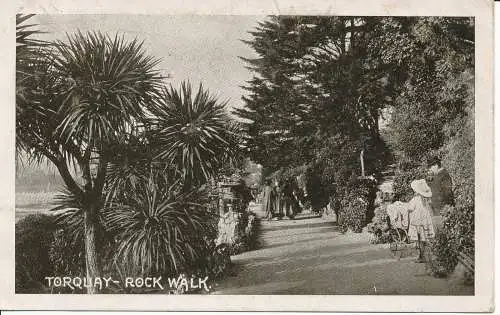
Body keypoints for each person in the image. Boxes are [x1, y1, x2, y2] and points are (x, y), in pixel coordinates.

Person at [407, 179, 435, 263]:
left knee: (420, 239)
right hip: (425, 220)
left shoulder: (415, 199)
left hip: (418, 221)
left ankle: (421, 256)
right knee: (425, 238)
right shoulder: (426, 199)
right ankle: (426, 254)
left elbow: (410, 208)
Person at [426, 156, 454, 229]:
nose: (430, 169)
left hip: (443, 208)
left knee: (444, 228)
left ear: (436, 165)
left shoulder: (444, 175)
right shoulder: (437, 175)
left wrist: (446, 207)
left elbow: (448, 192)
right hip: (437, 208)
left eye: (430, 167)